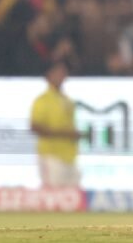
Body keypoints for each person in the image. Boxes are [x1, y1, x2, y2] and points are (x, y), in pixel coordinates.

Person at [29, 60, 81, 188]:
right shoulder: (42, 100)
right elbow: (35, 127)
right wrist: (64, 134)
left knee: (73, 194)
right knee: (53, 193)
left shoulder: (68, 100)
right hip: (51, 155)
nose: (61, 75)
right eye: (57, 71)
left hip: (70, 156)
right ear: (48, 75)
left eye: (63, 71)